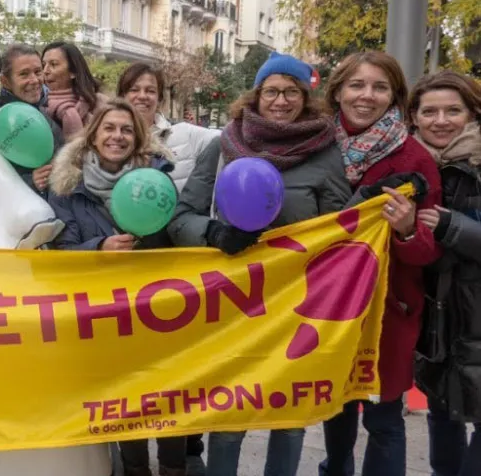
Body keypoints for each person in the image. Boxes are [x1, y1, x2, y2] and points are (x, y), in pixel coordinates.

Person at [168, 52, 351, 476]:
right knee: (230, 417)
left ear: (307, 98)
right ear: (256, 94)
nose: (281, 101)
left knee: (288, 422)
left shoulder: (325, 153)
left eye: (292, 92)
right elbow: (182, 218)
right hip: (232, 306)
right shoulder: (223, 146)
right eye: (272, 91)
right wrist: (213, 233)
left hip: (296, 309)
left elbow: (343, 228)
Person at [319, 51, 443, 476]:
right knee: (335, 409)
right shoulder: (316, 146)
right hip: (326, 305)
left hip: (388, 309)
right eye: (356, 85)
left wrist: (408, 229)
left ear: (394, 96)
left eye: (379, 87)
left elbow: (428, 251)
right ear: (338, 91)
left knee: (383, 418)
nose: (366, 96)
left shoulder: (414, 159)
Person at [47, 100, 185, 476]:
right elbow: (59, 254)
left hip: (156, 312)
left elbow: (177, 237)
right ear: (93, 137)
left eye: (126, 130)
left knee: (167, 399)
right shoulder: (66, 187)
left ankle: (175, 469)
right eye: (109, 128)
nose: (117, 136)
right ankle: (135, 469)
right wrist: (99, 249)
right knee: (125, 402)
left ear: (137, 138)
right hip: (103, 318)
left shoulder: (157, 180)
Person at [409, 71, 481, 476]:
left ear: (472, 113)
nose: (441, 121)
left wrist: (451, 227)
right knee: (443, 413)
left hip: (477, 315)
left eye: (453, 110)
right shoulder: (411, 170)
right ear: (414, 117)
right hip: (436, 319)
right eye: (429, 111)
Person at [0, 44, 66, 206]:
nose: (34, 80)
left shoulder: (41, 110)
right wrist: (31, 181)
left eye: (38, 72)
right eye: (24, 74)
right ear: (5, 81)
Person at [119, 62, 218, 192]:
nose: (142, 96)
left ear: (159, 98)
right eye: (134, 90)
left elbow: (227, 138)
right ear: (122, 96)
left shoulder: (185, 134)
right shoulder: (111, 140)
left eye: (150, 91)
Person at [41, 41, 110, 138]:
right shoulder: (39, 105)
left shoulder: (101, 104)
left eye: (53, 64)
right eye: (43, 65)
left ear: (73, 72)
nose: (45, 71)